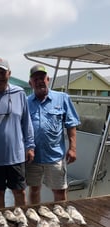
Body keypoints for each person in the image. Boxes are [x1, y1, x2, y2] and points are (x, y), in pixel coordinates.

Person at [0, 57, 35, 209]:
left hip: (16, 155)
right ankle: (1, 225)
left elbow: (26, 121)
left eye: (2, 73)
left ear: (9, 73)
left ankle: (22, 222)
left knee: (19, 192)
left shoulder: (20, 93)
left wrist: (30, 146)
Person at [26, 64, 81, 204]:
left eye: (42, 78)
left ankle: (60, 219)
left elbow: (71, 124)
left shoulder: (62, 98)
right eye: (36, 78)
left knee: (60, 191)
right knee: (34, 189)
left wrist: (73, 148)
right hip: (32, 158)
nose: (40, 81)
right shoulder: (25, 102)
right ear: (30, 83)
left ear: (48, 79)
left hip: (55, 156)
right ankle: (35, 219)